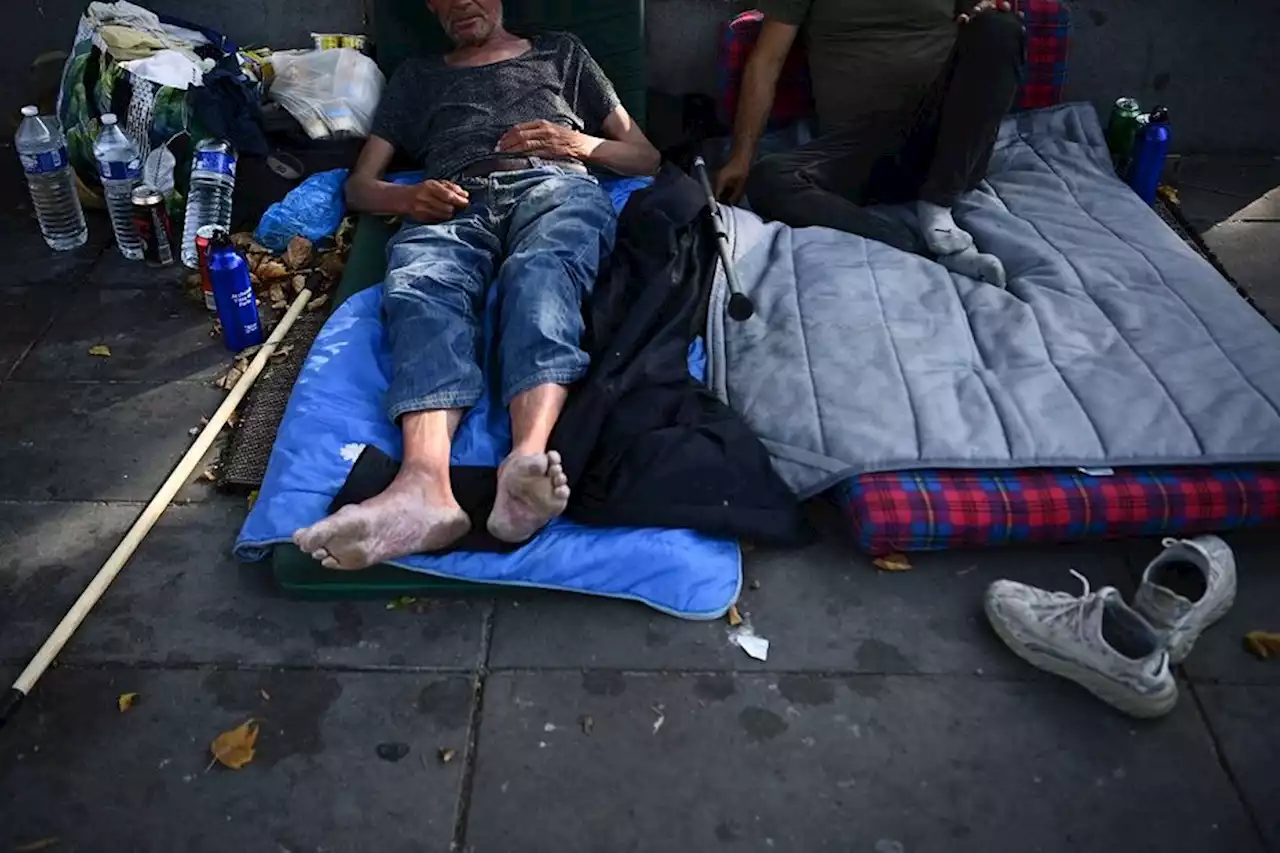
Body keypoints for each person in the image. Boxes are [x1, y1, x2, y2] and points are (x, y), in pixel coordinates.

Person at [294, 0, 660, 570]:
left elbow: (644, 156)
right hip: (451, 199)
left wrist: (579, 145)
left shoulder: (560, 52)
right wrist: (407, 197)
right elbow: (362, 186)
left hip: (553, 184)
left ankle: (527, 462)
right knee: (421, 290)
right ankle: (423, 489)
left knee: (539, 276)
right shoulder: (418, 76)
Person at [714, 0, 1025, 285]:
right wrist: (741, 157)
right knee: (770, 179)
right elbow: (766, 62)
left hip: (949, 145)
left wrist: (987, 11)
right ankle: (923, 249)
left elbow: (983, 26)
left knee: (1001, 27)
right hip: (860, 149)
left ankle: (938, 205)